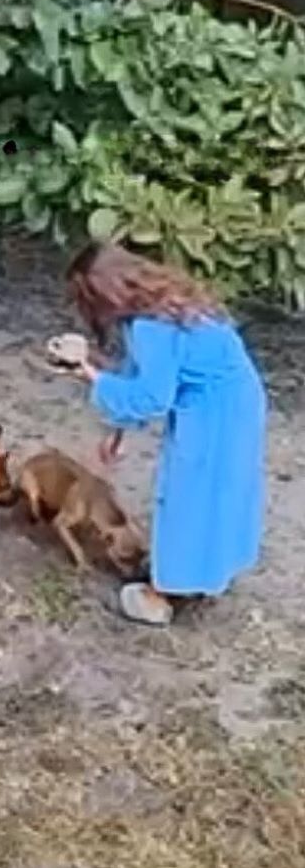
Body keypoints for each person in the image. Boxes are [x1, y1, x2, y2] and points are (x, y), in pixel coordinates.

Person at [67, 242, 266, 625]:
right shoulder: (167, 301)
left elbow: (150, 397)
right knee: (223, 490)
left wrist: (88, 372)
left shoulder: (149, 326)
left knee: (188, 494)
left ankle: (167, 589)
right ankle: (208, 571)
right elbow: (140, 373)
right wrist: (118, 432)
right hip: (240, 399)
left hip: (211, 413)